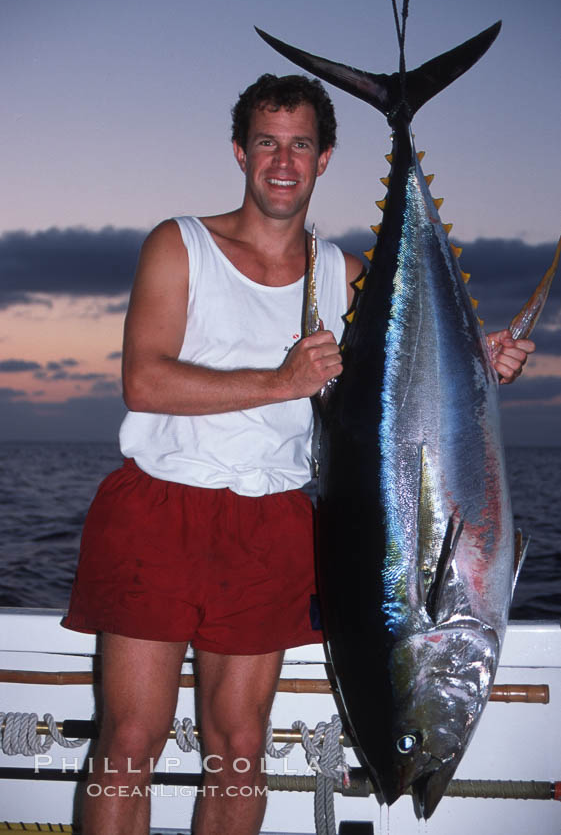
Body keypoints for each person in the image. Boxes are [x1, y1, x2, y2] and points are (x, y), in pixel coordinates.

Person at [62, 73, 534, 835]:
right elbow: (143, 382)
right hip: (161, 508)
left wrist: (482, 360)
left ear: (323, 159)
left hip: (275, 521)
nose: (283, 161)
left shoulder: (342, 273)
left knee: (241, 745)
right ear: (241, 152)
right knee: (128, 741)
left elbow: (405, 362)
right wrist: (279, 379)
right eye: (267, 144)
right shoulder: (179, 244)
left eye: (301, 145)